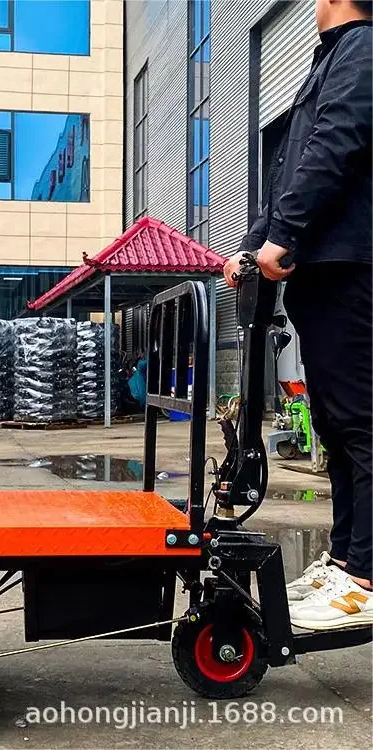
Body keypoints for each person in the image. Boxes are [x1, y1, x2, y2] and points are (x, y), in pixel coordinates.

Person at [223, 0, 372, 630]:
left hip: (350, 267)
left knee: (361, 422)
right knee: (337, 424)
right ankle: (346, 558)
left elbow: (336, 144)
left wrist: (281, 236)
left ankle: (364, 576)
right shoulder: (336, 56)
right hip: (322, 267)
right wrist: (256, 242)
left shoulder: (363, 49)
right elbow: (292, 172)